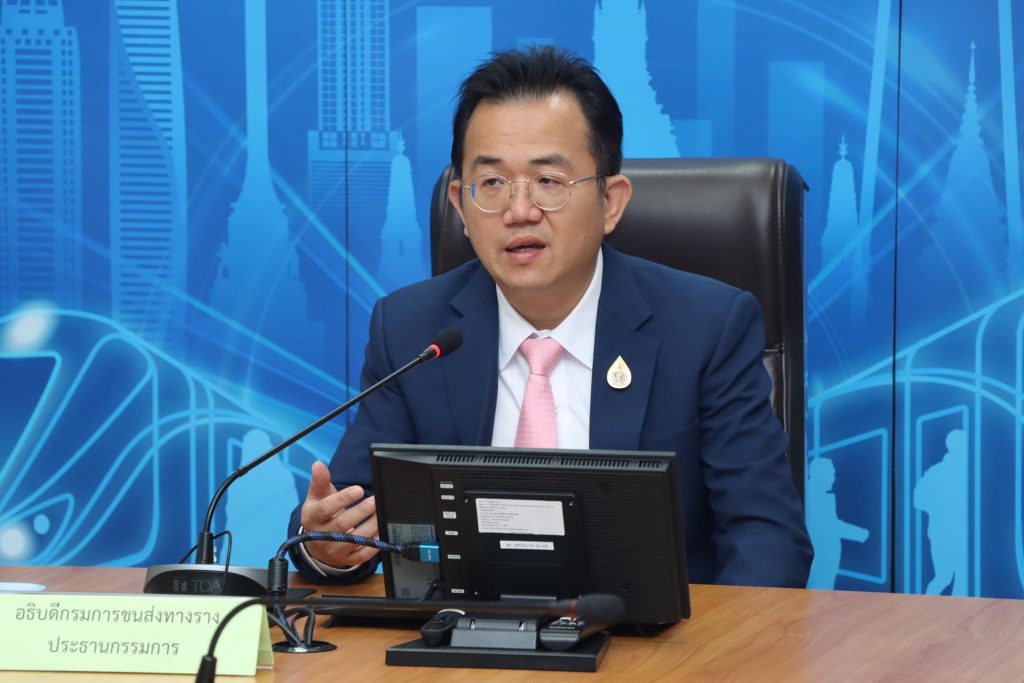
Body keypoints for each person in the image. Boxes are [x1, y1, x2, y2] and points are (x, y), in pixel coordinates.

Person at [288, 45, 812, 588]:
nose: (519, 211)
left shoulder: (706, 329)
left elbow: (767, 538)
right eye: (492, 184)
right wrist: (327, 545)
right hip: (463, 635)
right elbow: (346, 511)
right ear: (461, 205)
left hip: (654, 636)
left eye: (549, 182)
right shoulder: (412, 332)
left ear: (611, 202)